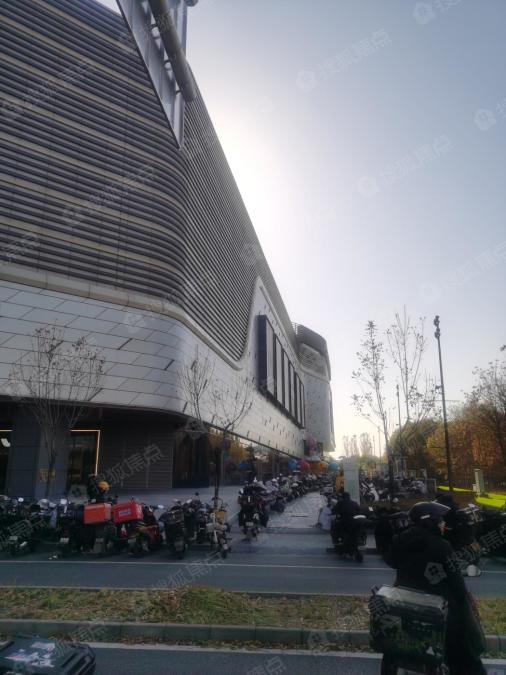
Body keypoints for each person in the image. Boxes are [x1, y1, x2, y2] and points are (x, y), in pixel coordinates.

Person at [384, 501, 486, 675]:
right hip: (436, 610)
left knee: (395, 648)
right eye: (441, 521)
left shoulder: (399, 540)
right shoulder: (441, 545)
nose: (444, 524)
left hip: (404, 605)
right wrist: (464, 603)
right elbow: (457, 585)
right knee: (464, 651)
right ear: (430, 521)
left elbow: (392, 562)